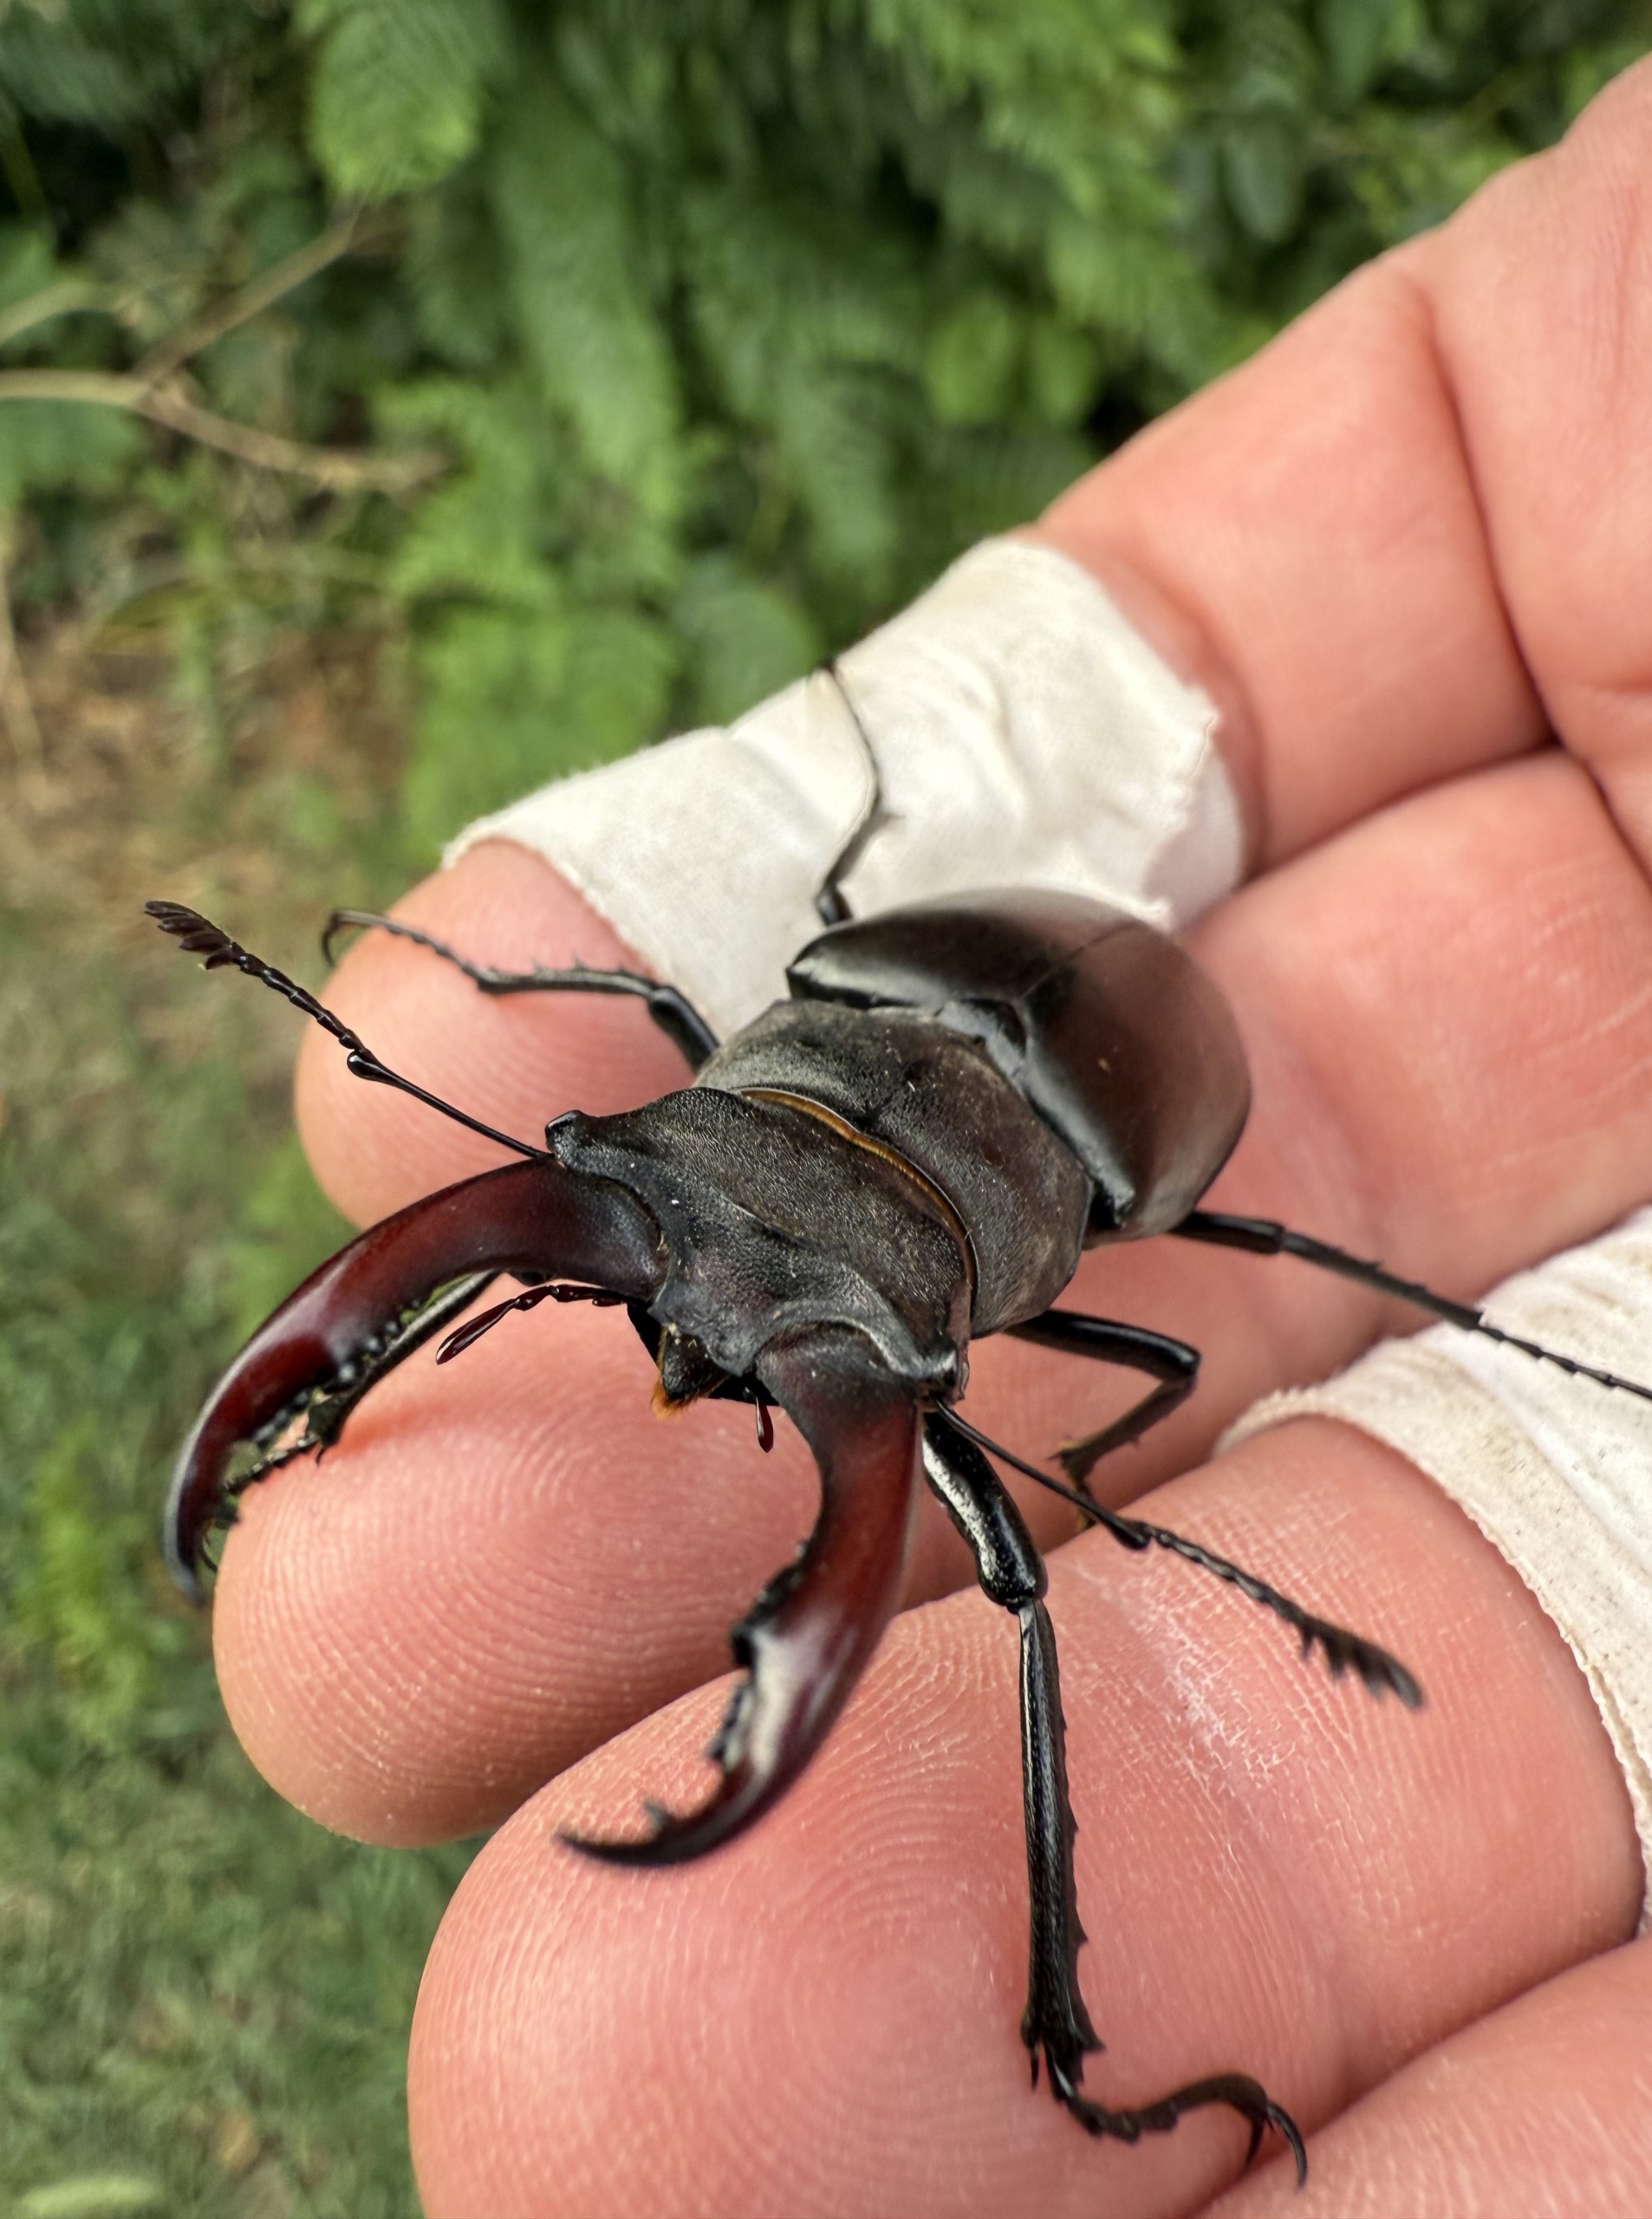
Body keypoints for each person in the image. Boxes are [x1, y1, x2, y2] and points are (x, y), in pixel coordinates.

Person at [213, 59, 1652, 2216]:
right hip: (895, 997)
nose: (708, 1323)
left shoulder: (1104, 1192)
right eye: (653, 1169)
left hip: (1097, 1085)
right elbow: (630, 1099)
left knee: (1036, 1604)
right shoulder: (759, 1067)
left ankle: (1064, 2019)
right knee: (517, 1241)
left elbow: (1159, 1358)